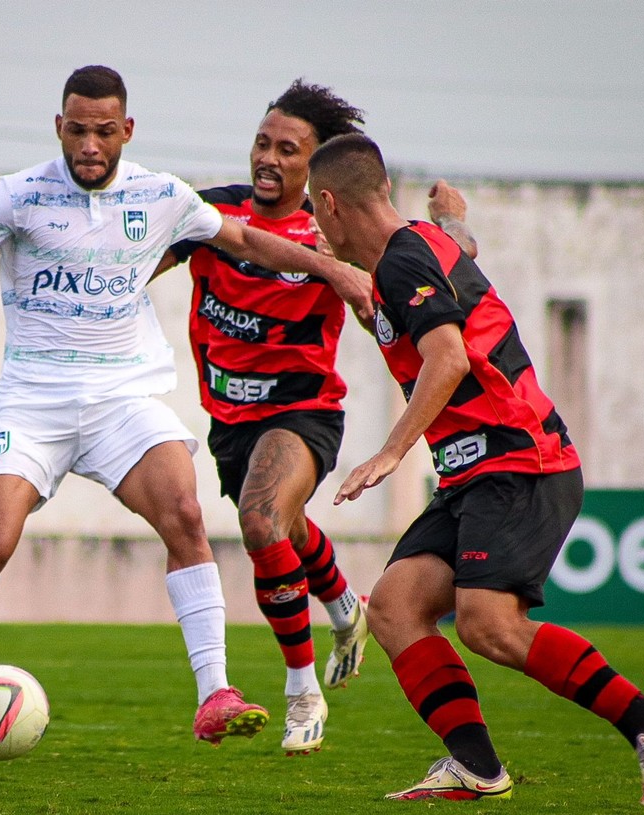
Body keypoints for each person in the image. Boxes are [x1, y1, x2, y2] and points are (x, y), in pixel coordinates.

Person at [0, 65, 374, 747]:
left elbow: (247, 239)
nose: (90, 145)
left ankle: (216, 690)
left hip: (122, 401)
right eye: (78, 130)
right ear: (60, 127)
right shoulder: (15, 198)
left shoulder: (163, 196)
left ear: (126, 130)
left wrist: (335, 268)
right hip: (32, 404)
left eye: (105, 131)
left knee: (186, 513)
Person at [307, 133, 644, 805]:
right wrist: (455, 222)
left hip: (519, 459)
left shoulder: (404, 262)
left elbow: (449, 358)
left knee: (489, 622)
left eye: (316, 215)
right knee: (398, 606)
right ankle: (475, 765)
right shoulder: (415, 251)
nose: (317, 230)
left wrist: (391, 450)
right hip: (474, 470)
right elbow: (458, 259)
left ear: (329, 203)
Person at [153, 80, 475, 755]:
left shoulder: (331, 235)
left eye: (287, 148)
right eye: (262, 142)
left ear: (316, 167)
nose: (268, 157)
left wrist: (442, 240)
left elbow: (422, 274)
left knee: (262, 519)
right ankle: (344, 607)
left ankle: (302, 688)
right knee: (287, 530)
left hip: (303, 412)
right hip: (230, 422)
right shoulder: (210, 213)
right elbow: (133, 265)